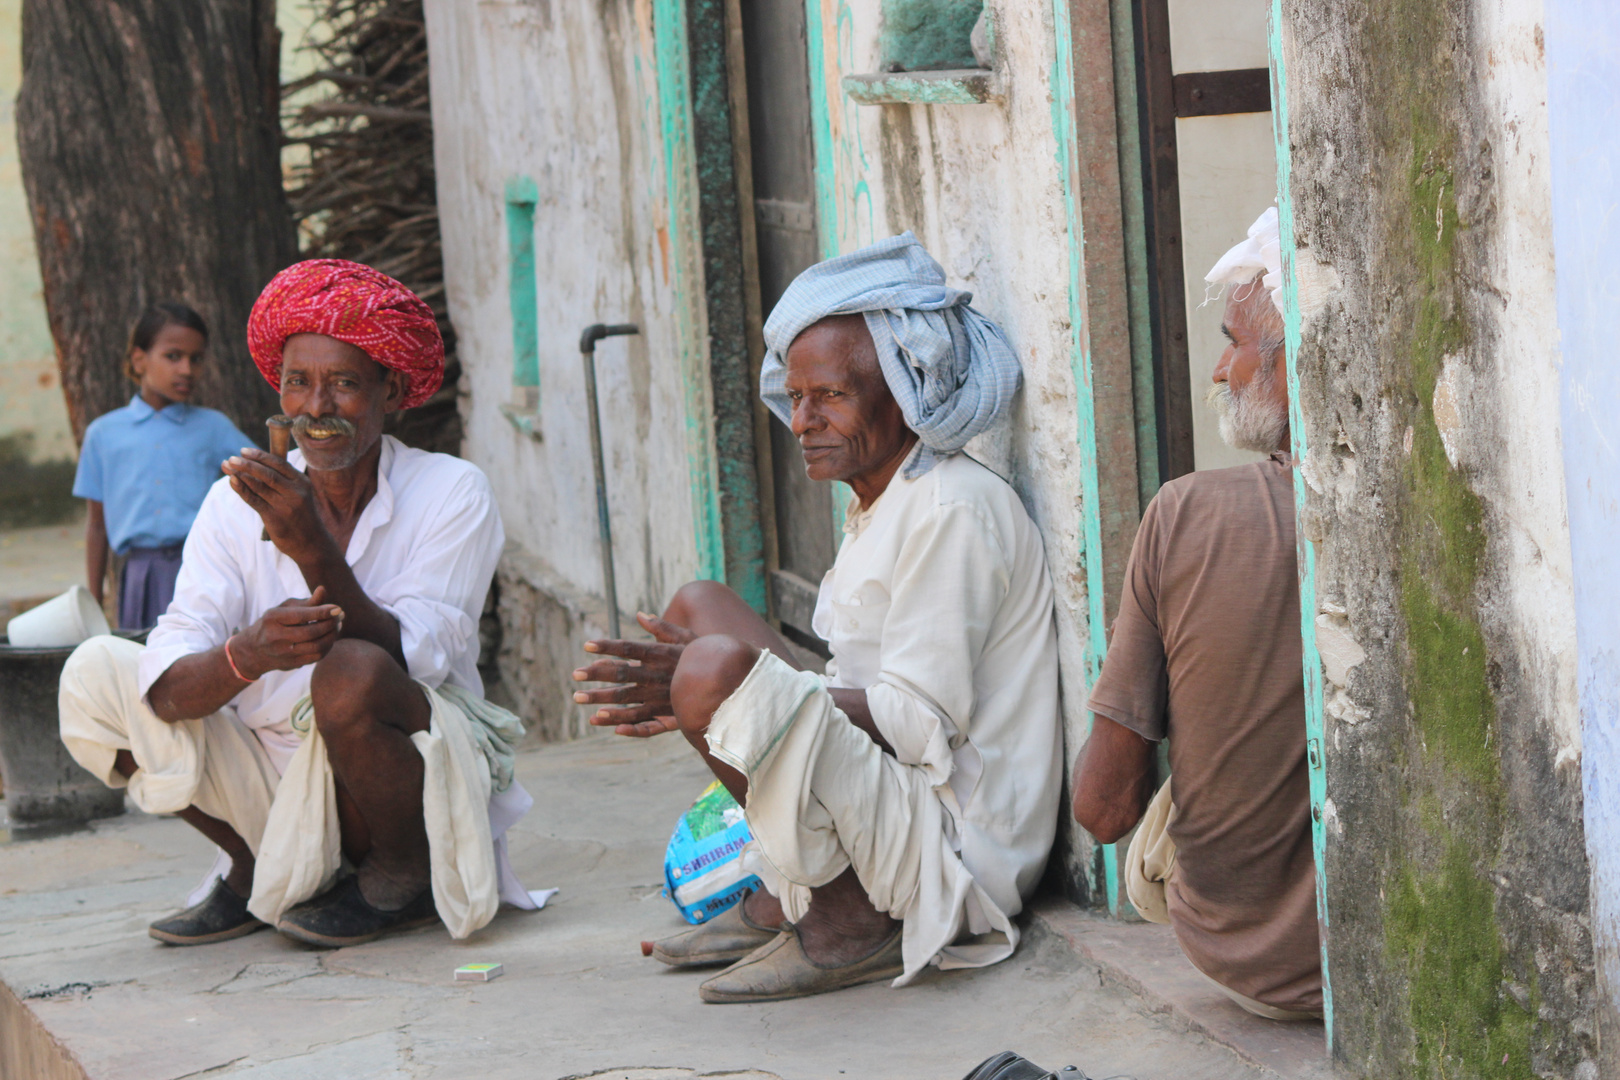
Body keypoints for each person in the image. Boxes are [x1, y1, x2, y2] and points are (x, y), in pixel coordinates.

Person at [573, 233, 1062, 1003]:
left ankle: (850, 920)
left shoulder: (953, 510)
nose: (801, 420)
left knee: (712, 672)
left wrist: (734, 698)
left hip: (951, 844)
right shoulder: (883, 497)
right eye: (796, 397)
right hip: (890, 793)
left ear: (903, 391)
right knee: (702, 610)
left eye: (830, 396)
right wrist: (742, 700)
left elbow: (913, 722)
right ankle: (783, 891)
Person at [58, 260, 541, 948]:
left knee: (349, 670)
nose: (315, 408)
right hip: (265, 778)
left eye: (343, 383)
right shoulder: (233, 501)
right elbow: (171, 660)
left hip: (395, 770)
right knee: (94, 672)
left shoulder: (453, 491)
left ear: (391, 390)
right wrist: (243, 657)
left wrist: (310, 545)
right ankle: (255, 867)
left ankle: (400, 875)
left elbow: (417, 658)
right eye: (298, 383)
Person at [1070, 207, 1322, 1021]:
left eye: (1236, 343)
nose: (1220, 370)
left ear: (1296, 367)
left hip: (1249, 961)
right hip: (1394, 959)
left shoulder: (1186, 513)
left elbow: (1103, 811)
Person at [73, 303, 254, 629]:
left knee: (203, 661)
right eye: (173, 356)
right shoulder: (102, 434)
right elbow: (97, 526)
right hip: (140, 577)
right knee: (143, 665)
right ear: (139, 360)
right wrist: (94, 602)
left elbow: (264, 479)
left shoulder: (214, 428)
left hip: (204, 569)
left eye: (196, 359)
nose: (186, 369)